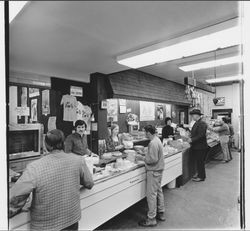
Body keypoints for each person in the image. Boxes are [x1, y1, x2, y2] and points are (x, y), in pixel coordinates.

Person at [9, 129, 94, 231]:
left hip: (45, 226)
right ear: (63, 143)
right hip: (71, 220)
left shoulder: (34, 167)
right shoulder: (78, 160)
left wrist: (13, 209)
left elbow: (14, 196)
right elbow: (89, 183)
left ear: (46, 145)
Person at [136, 125, 165, 227]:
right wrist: (146, 153)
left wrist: (142, 158)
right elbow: (153, 155)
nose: (145, 134)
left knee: (151, 195)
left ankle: (151, 218)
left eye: (145, 132)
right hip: (159, 170)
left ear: (148, 132)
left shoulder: (152, 143)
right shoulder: (157, 140)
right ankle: (161, 213)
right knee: (158, 191)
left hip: (153, 171)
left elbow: (152, 159)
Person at [187, 109, 208, 182]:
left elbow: (201, 135)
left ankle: (201, 177)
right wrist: (190, 134)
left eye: (193, 115)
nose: (192, 117)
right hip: (197, 146)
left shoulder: (202, 123)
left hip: (200, 147)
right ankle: (199, 174)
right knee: (198, 161)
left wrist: (192, 140)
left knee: (200, 162)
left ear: (196, 115)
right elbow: (196, 133)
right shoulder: (197, 122)